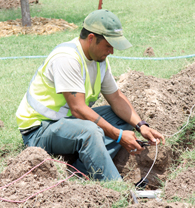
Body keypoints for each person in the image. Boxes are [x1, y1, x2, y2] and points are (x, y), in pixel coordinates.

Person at [16, 9, 165, 181]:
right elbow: (78, 109)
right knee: (90, 131)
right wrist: (117, 136)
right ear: (92, 38)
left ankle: (79, 173)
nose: (112, 51)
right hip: (40, 130)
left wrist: (141, 125)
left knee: (122, 119)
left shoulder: (98, 59)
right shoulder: (67, 58)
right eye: (108, 45)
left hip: (68, 124)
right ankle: (115, 187)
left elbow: (115, 97)